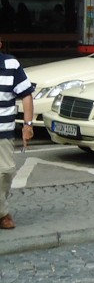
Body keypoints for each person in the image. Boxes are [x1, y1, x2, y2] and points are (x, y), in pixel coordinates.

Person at [0, 37, 35, 230]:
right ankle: (3, 214)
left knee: (5, 172)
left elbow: (26, 94)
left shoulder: (11, 64)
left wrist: (27, 125)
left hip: (3, 132)